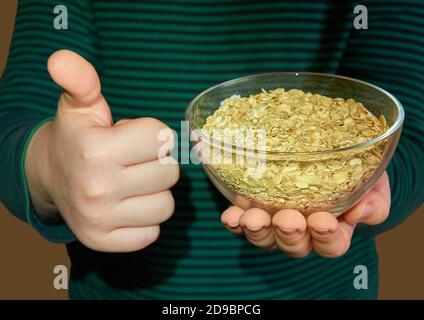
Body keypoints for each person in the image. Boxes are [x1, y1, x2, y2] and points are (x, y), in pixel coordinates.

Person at [0, 0, 422, 299]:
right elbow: (16, 119)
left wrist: (376, 182)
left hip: (326, 288)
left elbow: (409, 124)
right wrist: (49, 168)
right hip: (119, 290)